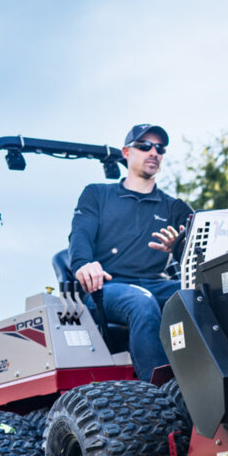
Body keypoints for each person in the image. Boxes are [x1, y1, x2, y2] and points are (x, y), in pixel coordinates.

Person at [69, 124, 193, 382]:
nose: (153, 152)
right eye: (145, 146)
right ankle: (160, 392)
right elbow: (80, 235)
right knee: (140, 302)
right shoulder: (97, 195)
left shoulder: (175, 207)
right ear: (126, 152)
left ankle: (223, 382)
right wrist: (83, 263)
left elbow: (199, 251)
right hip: (108, 287)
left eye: (160, 148)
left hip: (157, 284)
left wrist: (178, 248)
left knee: (202, 295)